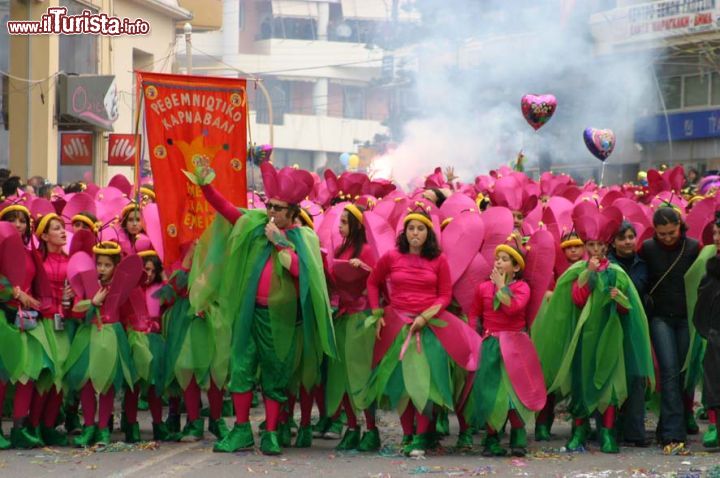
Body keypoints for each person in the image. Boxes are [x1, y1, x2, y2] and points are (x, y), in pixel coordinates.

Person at [188, 162, 335, 455]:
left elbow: (304, 277)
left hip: (281, 321)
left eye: (278, 208)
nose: (271, 212)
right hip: (250, 314)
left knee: (275, 374)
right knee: (241, 369)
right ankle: (241, 430)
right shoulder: (256, 226)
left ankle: (270, 433)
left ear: (293, 213)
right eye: (269, 205)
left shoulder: (303, 239)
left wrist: (280, 244)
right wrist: (206, 186)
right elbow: (229, 211)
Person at [533, 203, 654, 454]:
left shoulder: (617, 272)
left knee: (608, 384)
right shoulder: (577, 270)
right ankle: (579, 432)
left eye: (601, 245)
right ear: (586, 247)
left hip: (609, 337)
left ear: (607, 246)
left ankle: (607, 433)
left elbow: (626, 309)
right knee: (581, 383)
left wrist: (619, 297)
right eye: (591, 245)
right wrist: (587, 276)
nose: (596, 249)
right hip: (583, 338)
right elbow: (576, 300)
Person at [366, 209, 480, 457]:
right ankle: (407, 435)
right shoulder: (391, 256)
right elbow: (373, 282)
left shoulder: (439, 260)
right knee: (404, 385)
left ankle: (421, 437)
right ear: (404, 233)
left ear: (428, 233)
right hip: (398, 326)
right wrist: (376, 314)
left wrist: (424, 317)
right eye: (410, 228)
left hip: (430, 328)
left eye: (420, 228)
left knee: (426, 386)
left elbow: (445, 295)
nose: (415, 233)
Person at [467, 237, 546, 457]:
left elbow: (513, 309)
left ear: (516, 266)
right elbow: (474, 313)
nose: (499, 263)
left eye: (505, 260)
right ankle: (492, 436)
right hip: (492, 343)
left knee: (516, 391)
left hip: (516, 345)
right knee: (493, 390)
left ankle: (518, 433)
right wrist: (474, 335)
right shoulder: (483, 287)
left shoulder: (522, 288)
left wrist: (502, 287)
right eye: (497, 259)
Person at [65, 242, 139, 447]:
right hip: (89, 335)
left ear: (116, 266)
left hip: (111, 335)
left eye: (107, 265)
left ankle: (104, 428)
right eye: (99, 264)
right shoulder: (87, 284)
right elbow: (75, 312)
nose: (102, 269)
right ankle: (88, 425)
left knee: (107, 383)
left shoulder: (120, 287)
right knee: (87, 381)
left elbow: (126, 313)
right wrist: (93, 302)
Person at [639, 207, 700, 454]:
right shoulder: (647, 248)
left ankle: (669, 423)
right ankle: (673, 433)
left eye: (671, 232)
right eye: (661, 233)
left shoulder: (694, 248)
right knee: (670, 372)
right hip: (660, 318)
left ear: (680, 225)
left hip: (687, 318)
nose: (667, 238)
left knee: (683, 374)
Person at [325, 203, 380, 451]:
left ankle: (370, 428)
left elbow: (376, 282)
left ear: (357, 225)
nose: (340, 226)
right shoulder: (340, 248)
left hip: (361, 318)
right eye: (340, 221)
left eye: (345, 222)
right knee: (342, 375)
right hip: (343, 317)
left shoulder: (367, 251)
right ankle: (351, 426)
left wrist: (364, 269)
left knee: (361, 374)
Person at [0, 200, 50, 449]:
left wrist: (45, 303)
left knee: (27, 375)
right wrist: (15, 294)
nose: (18, 225)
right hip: (4, 318)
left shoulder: (33, 254)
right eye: (12, 220)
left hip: (29, 321)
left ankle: (20, 428)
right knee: (2, 375)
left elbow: (40, 287)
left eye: (22, 220)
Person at [608, 221, 650, 447]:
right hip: (610, 325)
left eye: (631, 237)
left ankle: (635, 432)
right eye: (622, 238)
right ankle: (609, 429)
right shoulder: (607, 264)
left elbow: (641, 288)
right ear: (613, 242)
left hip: (634, 325)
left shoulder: (642, 263)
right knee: (611, 375)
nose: (627, 242)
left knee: (635, 376)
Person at [692, 215, 720, 448]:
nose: (717, 239)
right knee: (712, 380)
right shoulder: (710, 267)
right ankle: (715, 427)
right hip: (715, 334)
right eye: (715, 233)